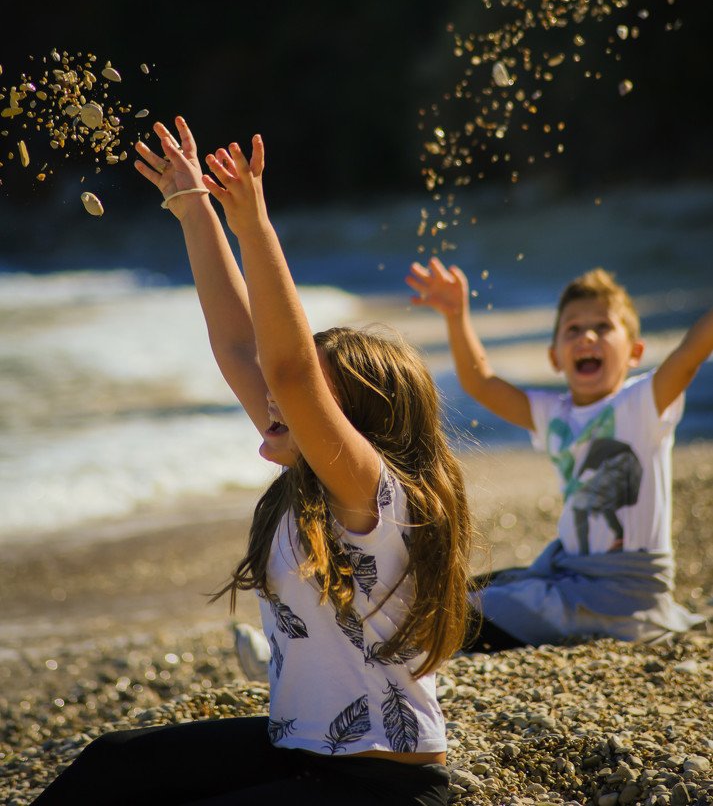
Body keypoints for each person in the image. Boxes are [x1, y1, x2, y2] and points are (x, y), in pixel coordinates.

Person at [31, 119, 472, 806]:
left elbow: (290, 369)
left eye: (303, 397)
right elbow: (245, 351)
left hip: (381, 782)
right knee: (109, 764)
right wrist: (193, 206)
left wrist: (255, 227)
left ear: (352, 422)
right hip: (297, 746)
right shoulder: (310, 475)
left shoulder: (374, 496)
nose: (269, 395)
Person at [405, 257, 712, 652]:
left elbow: (689, 356)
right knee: (464, 591)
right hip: (571, 575)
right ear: (555, 357)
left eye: (603, 327)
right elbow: (481, 383)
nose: (587, 337)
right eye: (574, 329)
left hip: (624, 592)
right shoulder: (555, 416)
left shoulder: (641, 403)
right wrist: (456, 314)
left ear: (635, 352)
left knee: (462, 615)